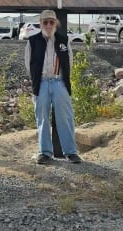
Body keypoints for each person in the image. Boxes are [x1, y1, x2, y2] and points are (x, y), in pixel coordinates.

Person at [24, 10, 81, 164]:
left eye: (51, 22)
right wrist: (37, 80)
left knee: (66, 117)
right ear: (40, 23)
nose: (48, 25)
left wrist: (62, 79)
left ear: (56, 23)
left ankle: (70, 152)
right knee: (42, 118)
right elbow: (29, 64)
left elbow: (69, 61)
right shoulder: (32, 41)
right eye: (45, 22)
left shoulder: (63, 40)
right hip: (41, 83)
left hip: (59, 82)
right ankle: (44, 152)